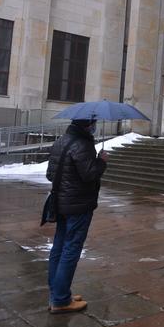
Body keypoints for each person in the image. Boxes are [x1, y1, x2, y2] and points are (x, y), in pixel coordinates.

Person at [46, 119, 108, 314]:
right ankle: (61, 300)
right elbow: (90, 174)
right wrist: (101, 161)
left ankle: (57, 292)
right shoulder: (83, 144)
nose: (95, 126)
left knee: (58, 247)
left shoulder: (61, 141)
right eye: (93, 123)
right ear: (87, 125)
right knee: (71, 249)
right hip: (78, 205)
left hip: (61, 204)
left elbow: (50, 174)